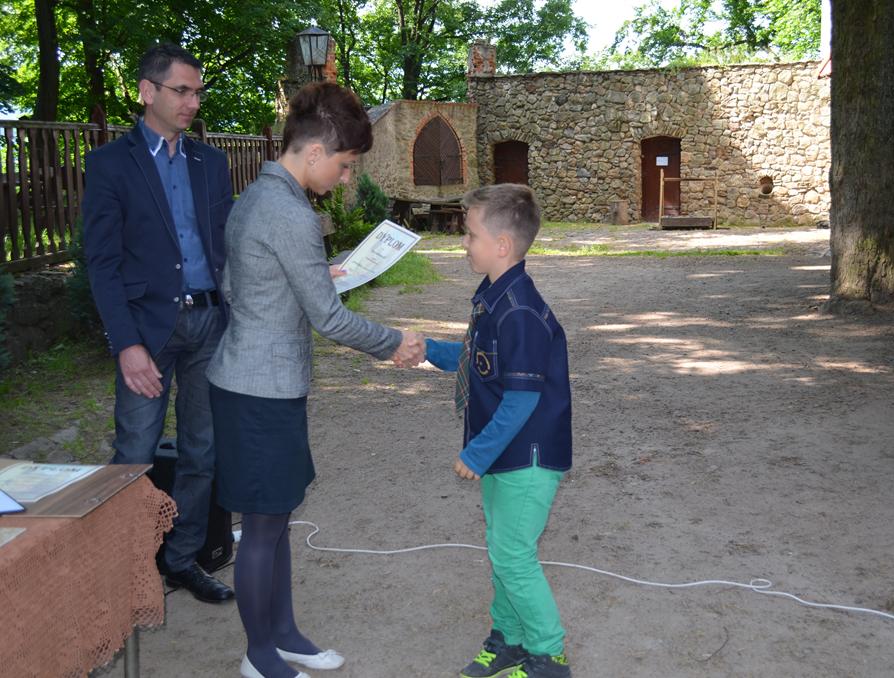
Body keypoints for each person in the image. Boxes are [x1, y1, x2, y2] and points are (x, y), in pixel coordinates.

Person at [205, 82, 425, 678]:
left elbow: (241, 285)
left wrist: (314, 274)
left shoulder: (257, 196)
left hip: (253, 384)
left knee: (274, 519)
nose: (346, 178)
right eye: (345, 165)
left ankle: (284, 634)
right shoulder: (289, 211)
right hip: (258, 391)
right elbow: (328, 319)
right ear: (314, 151)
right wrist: (394, 343)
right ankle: (258, 656)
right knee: (262, 528)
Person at [83, 43, 234, 602]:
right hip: (147, 331)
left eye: (198, 92)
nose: (193, 102)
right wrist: (126, 344)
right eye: (182, 91)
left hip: (209, 326)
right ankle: (124, 571)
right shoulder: (109, 165)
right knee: (134, 455)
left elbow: (226, 248)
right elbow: (101, 263)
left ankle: (182, 561)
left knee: (202, 451)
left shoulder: (210, 163)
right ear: (148, 91)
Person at [422, 184, 573, 678]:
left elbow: (523, 398)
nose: (463, 243)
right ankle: (508, 638)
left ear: (502, 245)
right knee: (502, 550)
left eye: (470, 235)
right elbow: (477, 361)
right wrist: (425, 349)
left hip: (527, 458)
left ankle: (549, 655)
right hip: (504, 455)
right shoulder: (493, 299)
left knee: (512, 556)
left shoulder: (520, 312)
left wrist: (477, 453)